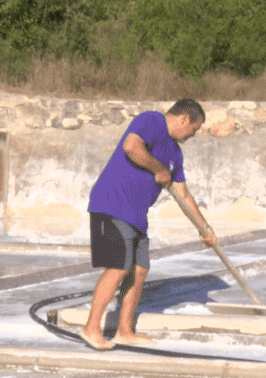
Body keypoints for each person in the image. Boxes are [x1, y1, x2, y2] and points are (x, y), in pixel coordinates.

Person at [82, 98, 217, 350]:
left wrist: (204, 228)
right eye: (194, 129)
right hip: (112, 204)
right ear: (184, 119)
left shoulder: (176, 153)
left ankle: (124, 331)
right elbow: (131, 147)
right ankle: (91, 329)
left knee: (139, 269)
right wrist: (158, 168)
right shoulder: (152, 120)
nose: (192, 135)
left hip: (136, 215)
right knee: (118, 267)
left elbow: (183, 195)